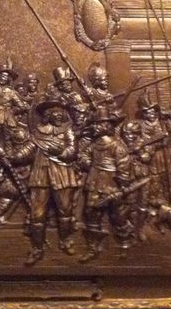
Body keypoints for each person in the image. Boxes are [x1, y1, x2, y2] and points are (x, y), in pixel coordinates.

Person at [25, 98, 80, 265]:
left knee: (65, 210)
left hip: (62, 174)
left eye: (60, 111)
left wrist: (61, 152)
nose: (58, 114)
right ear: (47, 115)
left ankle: (66, 241)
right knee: (37, 214)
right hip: (40, 174)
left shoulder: (67, 131)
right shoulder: (38, 132)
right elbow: (29, 149)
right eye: (54, 112)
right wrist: (14, 156)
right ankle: (37, 249)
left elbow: (73, 150)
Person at [79, 106, 133, 262]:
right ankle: (93, 248)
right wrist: (87, 162)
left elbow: (123, 166)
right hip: (94, 183)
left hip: (112, 185)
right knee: (91, 214)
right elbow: (84, 156)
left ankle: (125, 244)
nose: (95, 127)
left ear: (106, 126)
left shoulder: (117, 146)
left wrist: (122, 186)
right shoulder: (94, 145)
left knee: (118, 216)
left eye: (98, 124)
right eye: (95, 123)